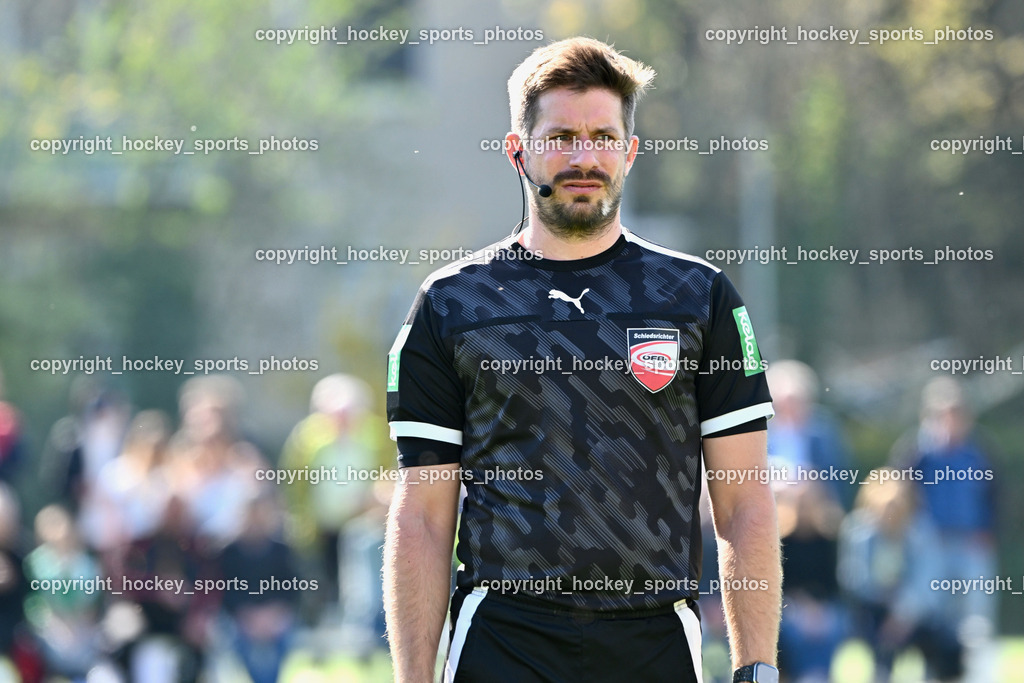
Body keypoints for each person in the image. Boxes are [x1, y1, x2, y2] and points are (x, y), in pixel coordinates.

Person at [384, 37, 781, 683]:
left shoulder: (699, 297)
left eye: (603, 137)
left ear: (630, 151)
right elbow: (424, 517)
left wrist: (756, 668)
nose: (584, 157)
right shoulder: (452, 302)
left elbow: (744, 503)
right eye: (561, 137)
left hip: (654, 638)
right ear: (518, 150)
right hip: (503, 639)